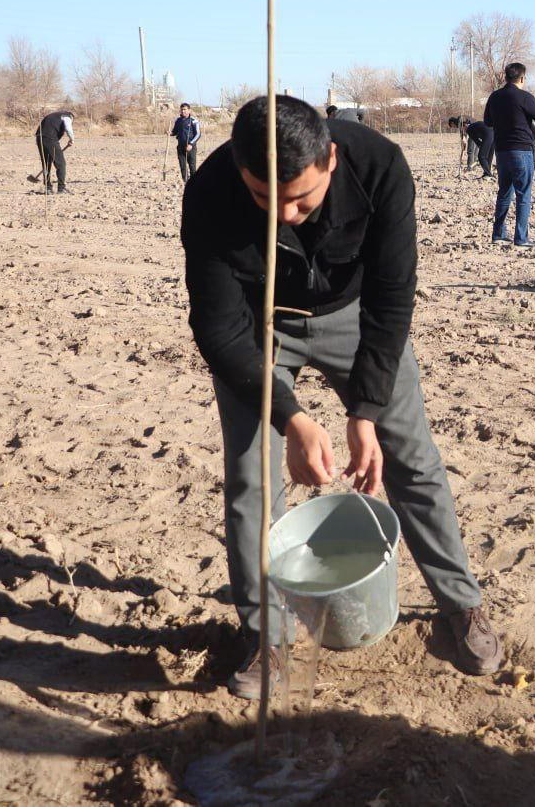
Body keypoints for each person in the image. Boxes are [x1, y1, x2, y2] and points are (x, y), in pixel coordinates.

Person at [180, 95, 503, 698]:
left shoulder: (381, 167)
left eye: (301, 198)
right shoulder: (209, 192)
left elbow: (392, 295)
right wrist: (291, 418)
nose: (285, 215)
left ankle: (462, 608)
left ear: (330, 159)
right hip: (258, 328)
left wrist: (366, 411)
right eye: (264, 199)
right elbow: (217, 328)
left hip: (354, 318)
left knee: (412, 458)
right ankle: (266, 640)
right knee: (252, 479)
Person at [483, 62, 535, 247]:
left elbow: (488, 121)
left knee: (504, 192)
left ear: (506, 77)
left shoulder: (494, 97)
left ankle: (498, 234)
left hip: (502, 151)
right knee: (523, 194)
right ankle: (521, 238)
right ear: (521, 78)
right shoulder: (525, 97)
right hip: (521, 150)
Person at [35, 109, 75, 194]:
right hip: (50, 139)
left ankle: (48, 188)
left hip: (39, 138)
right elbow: (68, 128)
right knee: (61, 164)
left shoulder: (53, 116)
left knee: (46, 164)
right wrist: (72, 139)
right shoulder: (67, 116)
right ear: (72, 117)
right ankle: (61, 188)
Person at [169, 102, 203, 183]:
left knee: (192, 165)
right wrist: (170, 133)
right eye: (181, 110)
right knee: (182, 165)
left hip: (190, 146)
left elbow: (198, 134)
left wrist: (191, 144)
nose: (183, 111)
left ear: (189, 110)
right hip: (180, 146)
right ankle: (185, 181)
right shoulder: (178, 120)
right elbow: (175, 132)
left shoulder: (194, 121)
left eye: (185, 109)